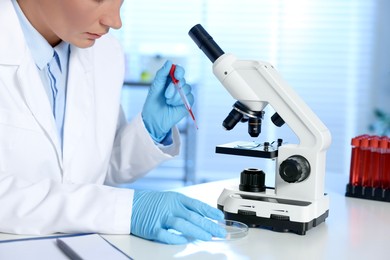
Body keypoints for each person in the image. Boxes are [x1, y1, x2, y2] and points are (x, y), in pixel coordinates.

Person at [0, 0, 227, 244]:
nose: (114, 21)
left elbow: (98, 170)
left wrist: (150, 131)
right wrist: (124, 210)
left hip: (82, 246)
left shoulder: (105, 52)